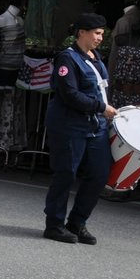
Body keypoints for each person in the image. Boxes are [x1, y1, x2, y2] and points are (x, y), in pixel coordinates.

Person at [42, 13, 117, 244]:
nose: (100, 38)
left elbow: (99, 88)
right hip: (69, 125)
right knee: (66, 173)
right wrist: (101, 107)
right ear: (81, 32)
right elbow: (69, 94)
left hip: (95, 126)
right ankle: (54, 224)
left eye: (102, 34)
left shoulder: (96, 58)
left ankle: (77, 222)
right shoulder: (67, 58)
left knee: (99, 174)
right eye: (96, 33)